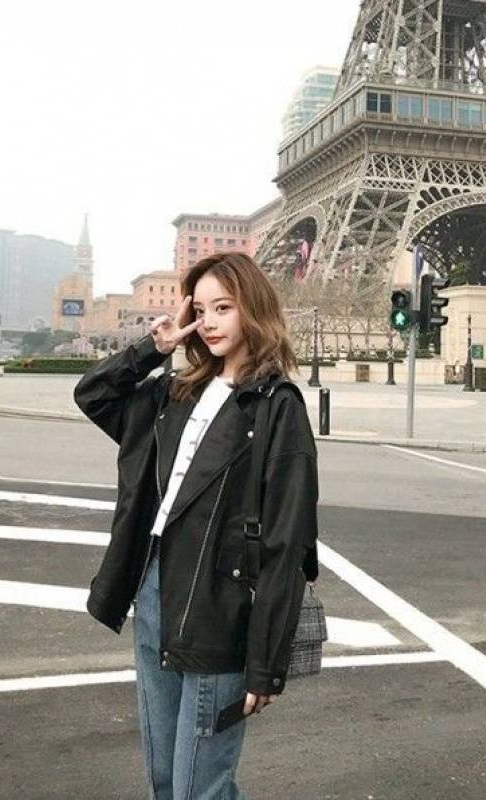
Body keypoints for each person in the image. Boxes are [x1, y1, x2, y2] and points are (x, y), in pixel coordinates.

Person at [74, 253, 319, 799]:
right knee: (166, 781)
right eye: (200, 310)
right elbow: (93, 394)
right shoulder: (174, 394)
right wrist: (154, 348)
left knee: (198, 788)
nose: (208, 322)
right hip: (154, 591)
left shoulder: (277, 407)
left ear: (253, 309)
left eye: (223, 308)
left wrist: (266, 663)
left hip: (220, 607)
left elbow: (287, 542)